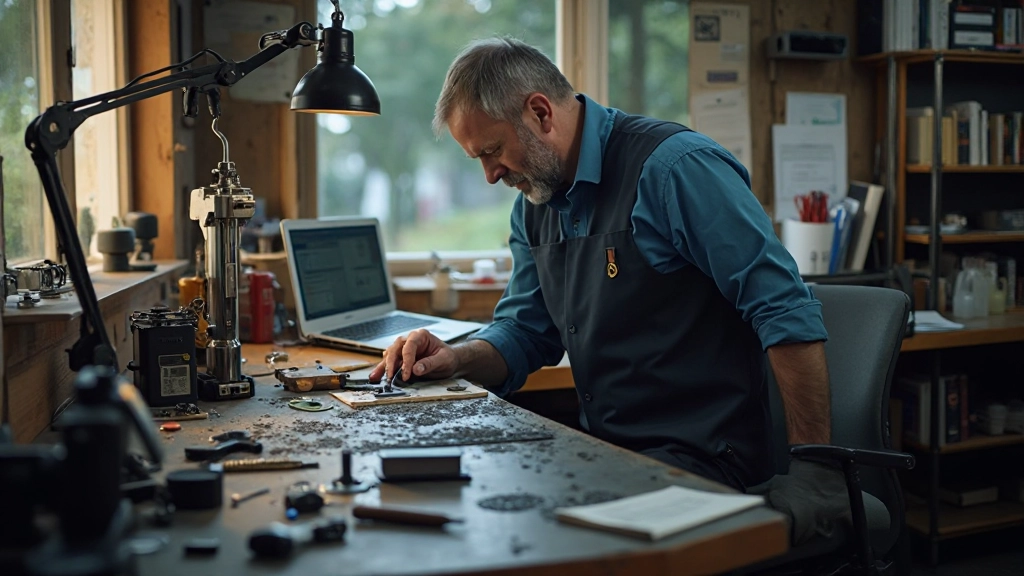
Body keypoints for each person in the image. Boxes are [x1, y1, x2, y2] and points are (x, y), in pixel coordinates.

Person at [369, 36, 850, 544]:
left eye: (492, 151)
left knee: (526, 543)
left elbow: (783, 308)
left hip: (705, 459)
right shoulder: (535, 205)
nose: (490, 176)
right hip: (611, 451)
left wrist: (816, 469)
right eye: (478, 160)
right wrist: (456, 358)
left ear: (540, 113)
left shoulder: (674, 170)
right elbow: (526, 331)